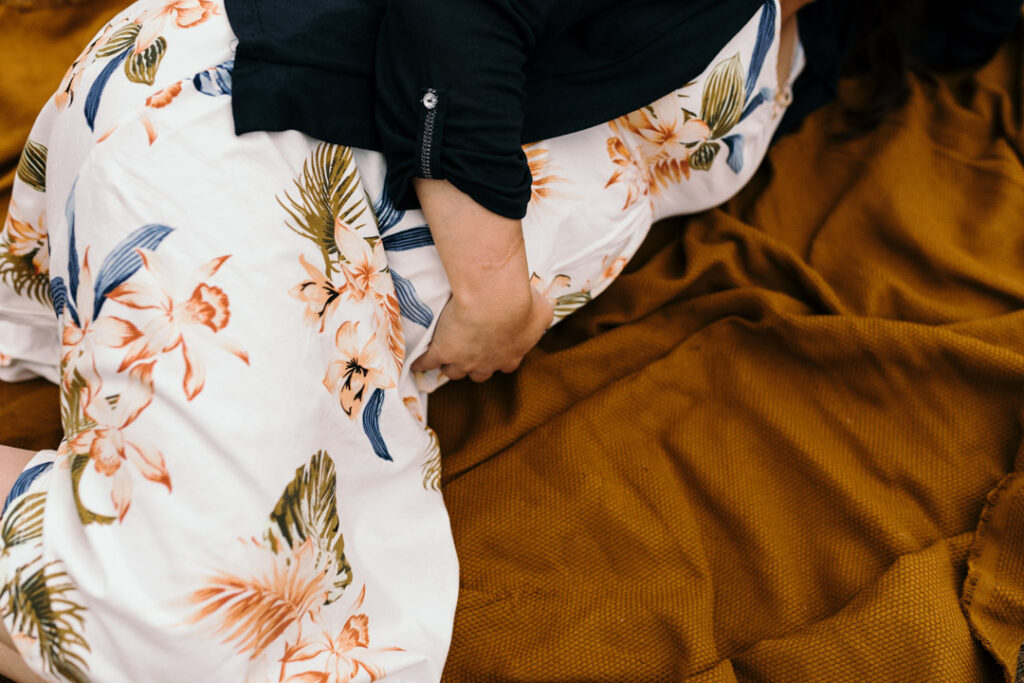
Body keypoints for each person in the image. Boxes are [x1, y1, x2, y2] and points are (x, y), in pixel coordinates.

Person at [0, 0, 1018, 680]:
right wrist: (492, 294)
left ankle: (127, 487)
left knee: (351, 639)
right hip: (256, 152)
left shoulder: (822, 39)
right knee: (198, 642)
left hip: (349, 298)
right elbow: (452, 16)